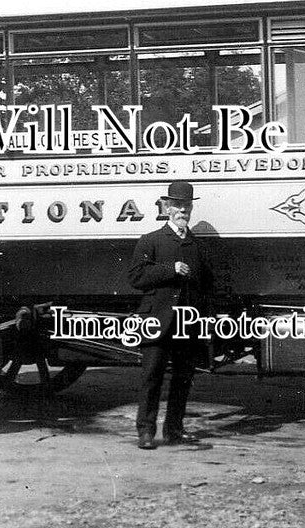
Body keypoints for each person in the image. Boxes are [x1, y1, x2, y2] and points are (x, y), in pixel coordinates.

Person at [128, 181, 213, 450]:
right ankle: (145, 432)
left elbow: (206, 285)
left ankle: (174, 430)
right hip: (156, 321)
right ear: (166, 207)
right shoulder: (150, 240)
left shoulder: (196, 245)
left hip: (187, 323)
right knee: (151, 376)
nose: (182, 210)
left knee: (182, 378)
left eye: (186, 206)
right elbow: (136, 277)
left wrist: (204, 319)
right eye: (176, 205)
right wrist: (171, 269)